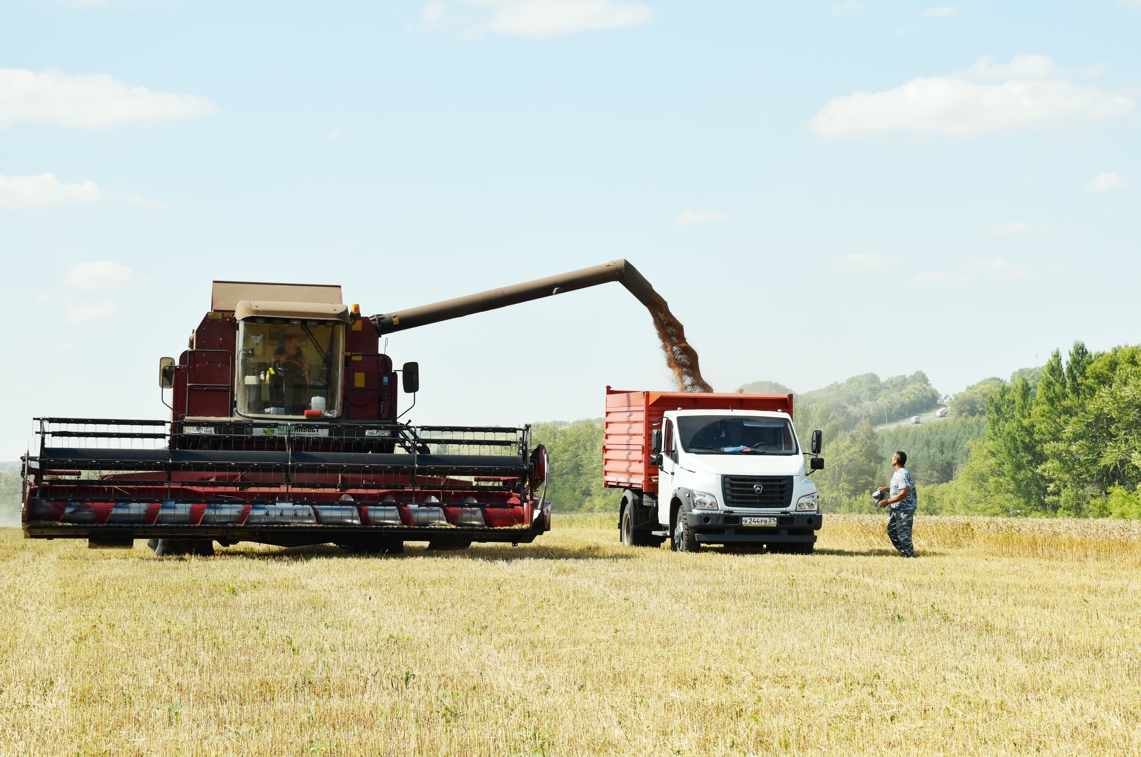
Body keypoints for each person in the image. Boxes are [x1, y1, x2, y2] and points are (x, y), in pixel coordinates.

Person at [877, 450, 917, 558]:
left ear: (896, 460)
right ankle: (905, 552)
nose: (891, 459)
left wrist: (887, 501)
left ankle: (909, 556)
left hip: (904, 508)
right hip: (897, 507)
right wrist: (886, 489)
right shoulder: (899, 473)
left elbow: (904, 493)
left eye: (892, 457)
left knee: (903, 534)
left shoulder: (901, 474)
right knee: (892, 531)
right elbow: (899, 489)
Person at [271, 336, 309, 415]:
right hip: (281, 377)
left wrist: (290, 360)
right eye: (295, 342)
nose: (297, 344)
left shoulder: (298, 350)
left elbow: (303, 361)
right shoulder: (279, 349)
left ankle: (297, 413)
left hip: (296, 377)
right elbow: (274, 359)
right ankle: (285, 413)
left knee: (299, 396)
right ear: (288, 343)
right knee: (285, 397)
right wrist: (288, 354)